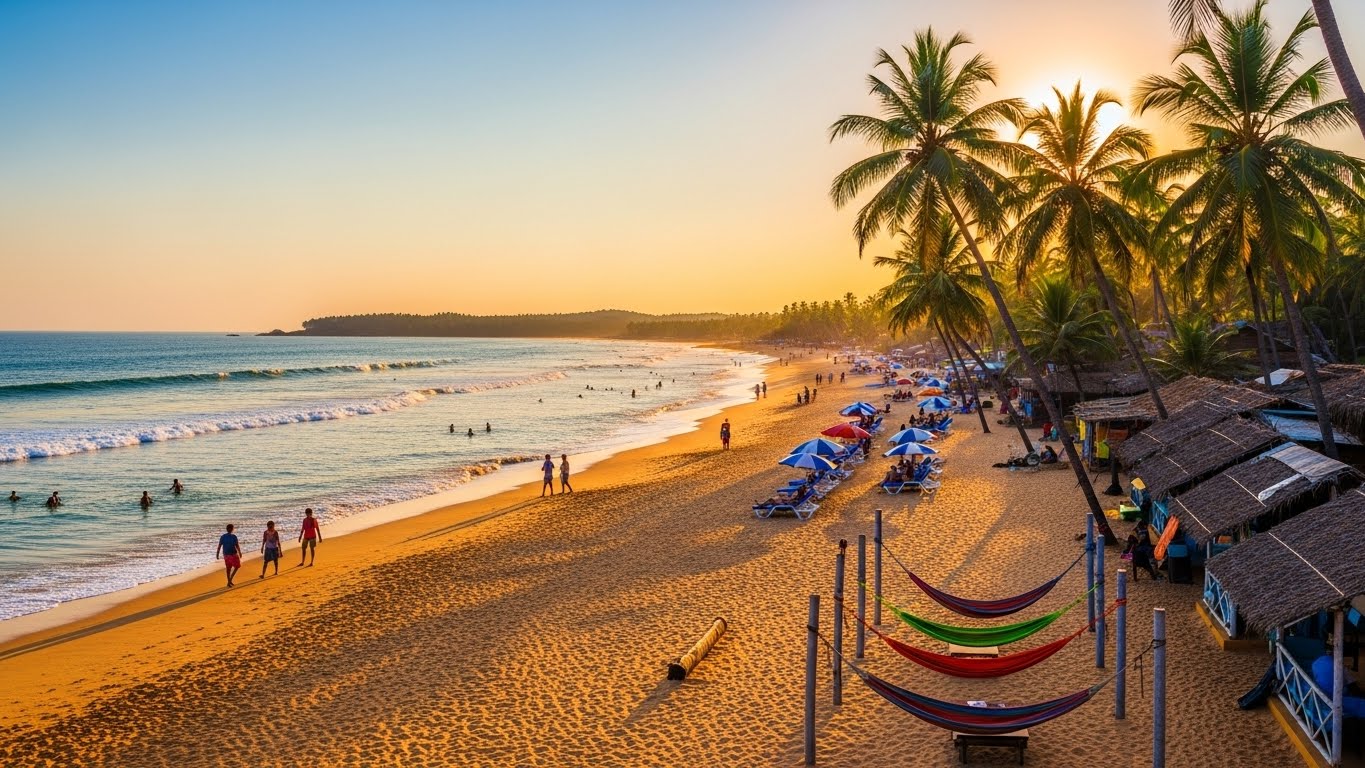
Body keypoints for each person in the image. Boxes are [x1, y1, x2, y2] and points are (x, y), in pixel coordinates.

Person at [1311, 645, 1365, 718]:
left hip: (1324, 698)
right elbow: (1352, 685)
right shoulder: (1336, 665)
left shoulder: (1316, 664)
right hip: (1337, 699)